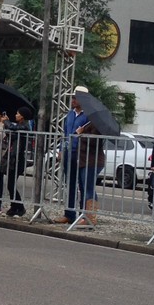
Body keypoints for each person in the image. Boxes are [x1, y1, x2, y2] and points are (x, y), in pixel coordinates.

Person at [55, 87, 90, 224]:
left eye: (75, 98)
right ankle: (69, 214)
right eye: (72, 98)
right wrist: (61, 149)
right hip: (69, 151)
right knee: (69, 183)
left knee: (82, 184)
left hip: (81, 153)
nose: (73, 100)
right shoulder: (70, 114)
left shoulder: (88, 116)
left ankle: (83, 215)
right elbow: (65, 134)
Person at [2, 106, 33, 217]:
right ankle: (14, 206)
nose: (16, 115)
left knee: (11, 184)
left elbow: (13, 128)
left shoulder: (25, 127)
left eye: (17, 113)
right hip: (13, 157)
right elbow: (12, 134)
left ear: (22, 116)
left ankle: (20, 207)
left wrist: (6, 122)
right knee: (10, 184)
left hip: (18, 159)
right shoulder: (20, 126)